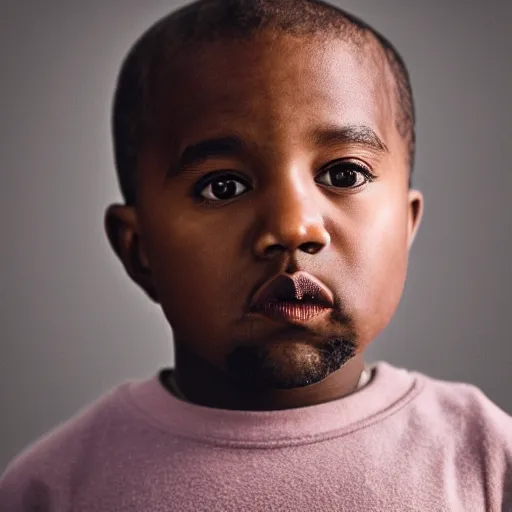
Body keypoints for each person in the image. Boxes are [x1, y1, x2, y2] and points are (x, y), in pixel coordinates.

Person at [1, 0, 511, 510]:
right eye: (223, 186)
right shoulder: (54, 488)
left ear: (405, 224)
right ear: (139, 250)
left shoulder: (486, 458)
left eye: (344, 175)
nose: (292, 228)